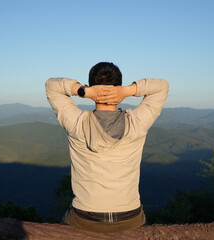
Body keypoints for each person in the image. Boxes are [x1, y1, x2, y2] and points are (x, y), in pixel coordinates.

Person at [45, 62, 169, 233]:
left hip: (85, 218)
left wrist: (84, 92)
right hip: (129, 217)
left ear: (90, 85)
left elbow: (52, 85)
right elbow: (162, 86)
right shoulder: (137, 122)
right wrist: (127, 91)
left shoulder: (77, 123)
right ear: (118, 86)